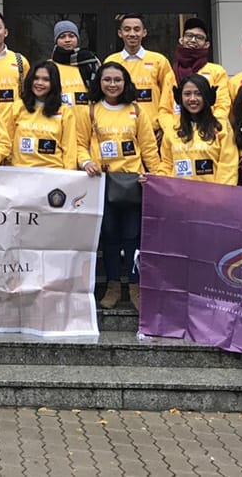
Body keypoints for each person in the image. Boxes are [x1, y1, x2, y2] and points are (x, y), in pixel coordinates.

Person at [76, 62, 161, 310]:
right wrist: (86, 162)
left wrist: (154, 176)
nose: (112, 84)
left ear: (125, 82)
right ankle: (113, 285)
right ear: (99, 83)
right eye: (107, 80)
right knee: (109, 236)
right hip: (103, 183)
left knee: (133, 237)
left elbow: (148, 148)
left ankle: (135, 286)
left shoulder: (136, 110)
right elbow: (80, 144)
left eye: (117, 80)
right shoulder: (89, 111)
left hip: (133, 183)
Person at [160, 74, 239, 185]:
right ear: (180, 97)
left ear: (207, 96)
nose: (192, 99)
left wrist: (220, 196)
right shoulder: (172, 128)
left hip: (213, 197)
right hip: (179, 197)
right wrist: (154, 180)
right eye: (187, 94)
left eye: (198, 94)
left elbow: (228, 166)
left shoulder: (221, 126)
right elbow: (167, 164)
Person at [110, 13, 174, 142]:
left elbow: (170, 97)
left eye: (137, 29)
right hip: (121, 133)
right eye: (127, 29)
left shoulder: (159, 61)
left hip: (154, 133)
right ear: (120, 33)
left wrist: (165, 127)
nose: (132, 34)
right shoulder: (111, 62)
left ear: (144, 32)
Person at [160, 17, 229, 135]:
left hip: (209, 133)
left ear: (206, 44)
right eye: (189, 35)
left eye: (199, 38)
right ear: (181, 40)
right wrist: (172, 131)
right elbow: (164, 110)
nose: (193, 40)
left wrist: (211, 127)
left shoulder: (217, 72)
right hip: (179, 134)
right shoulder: (171, 75)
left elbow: (223, 105)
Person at [9, 62, 76, 170]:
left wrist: (68, 178)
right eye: (36, 78)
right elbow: (7, 143)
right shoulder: (17, 107)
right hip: (20, 174)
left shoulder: (65, 112)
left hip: (53, 175)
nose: (39, 83)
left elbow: (70, 151)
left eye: (46, 80)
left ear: (54, 83)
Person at [48, 20, 100, 109]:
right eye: (62, 37)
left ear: (77, 38)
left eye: (71, 36)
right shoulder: (49, 66)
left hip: (88, 117)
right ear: (56, 41)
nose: (67, 40)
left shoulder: (91, 61)